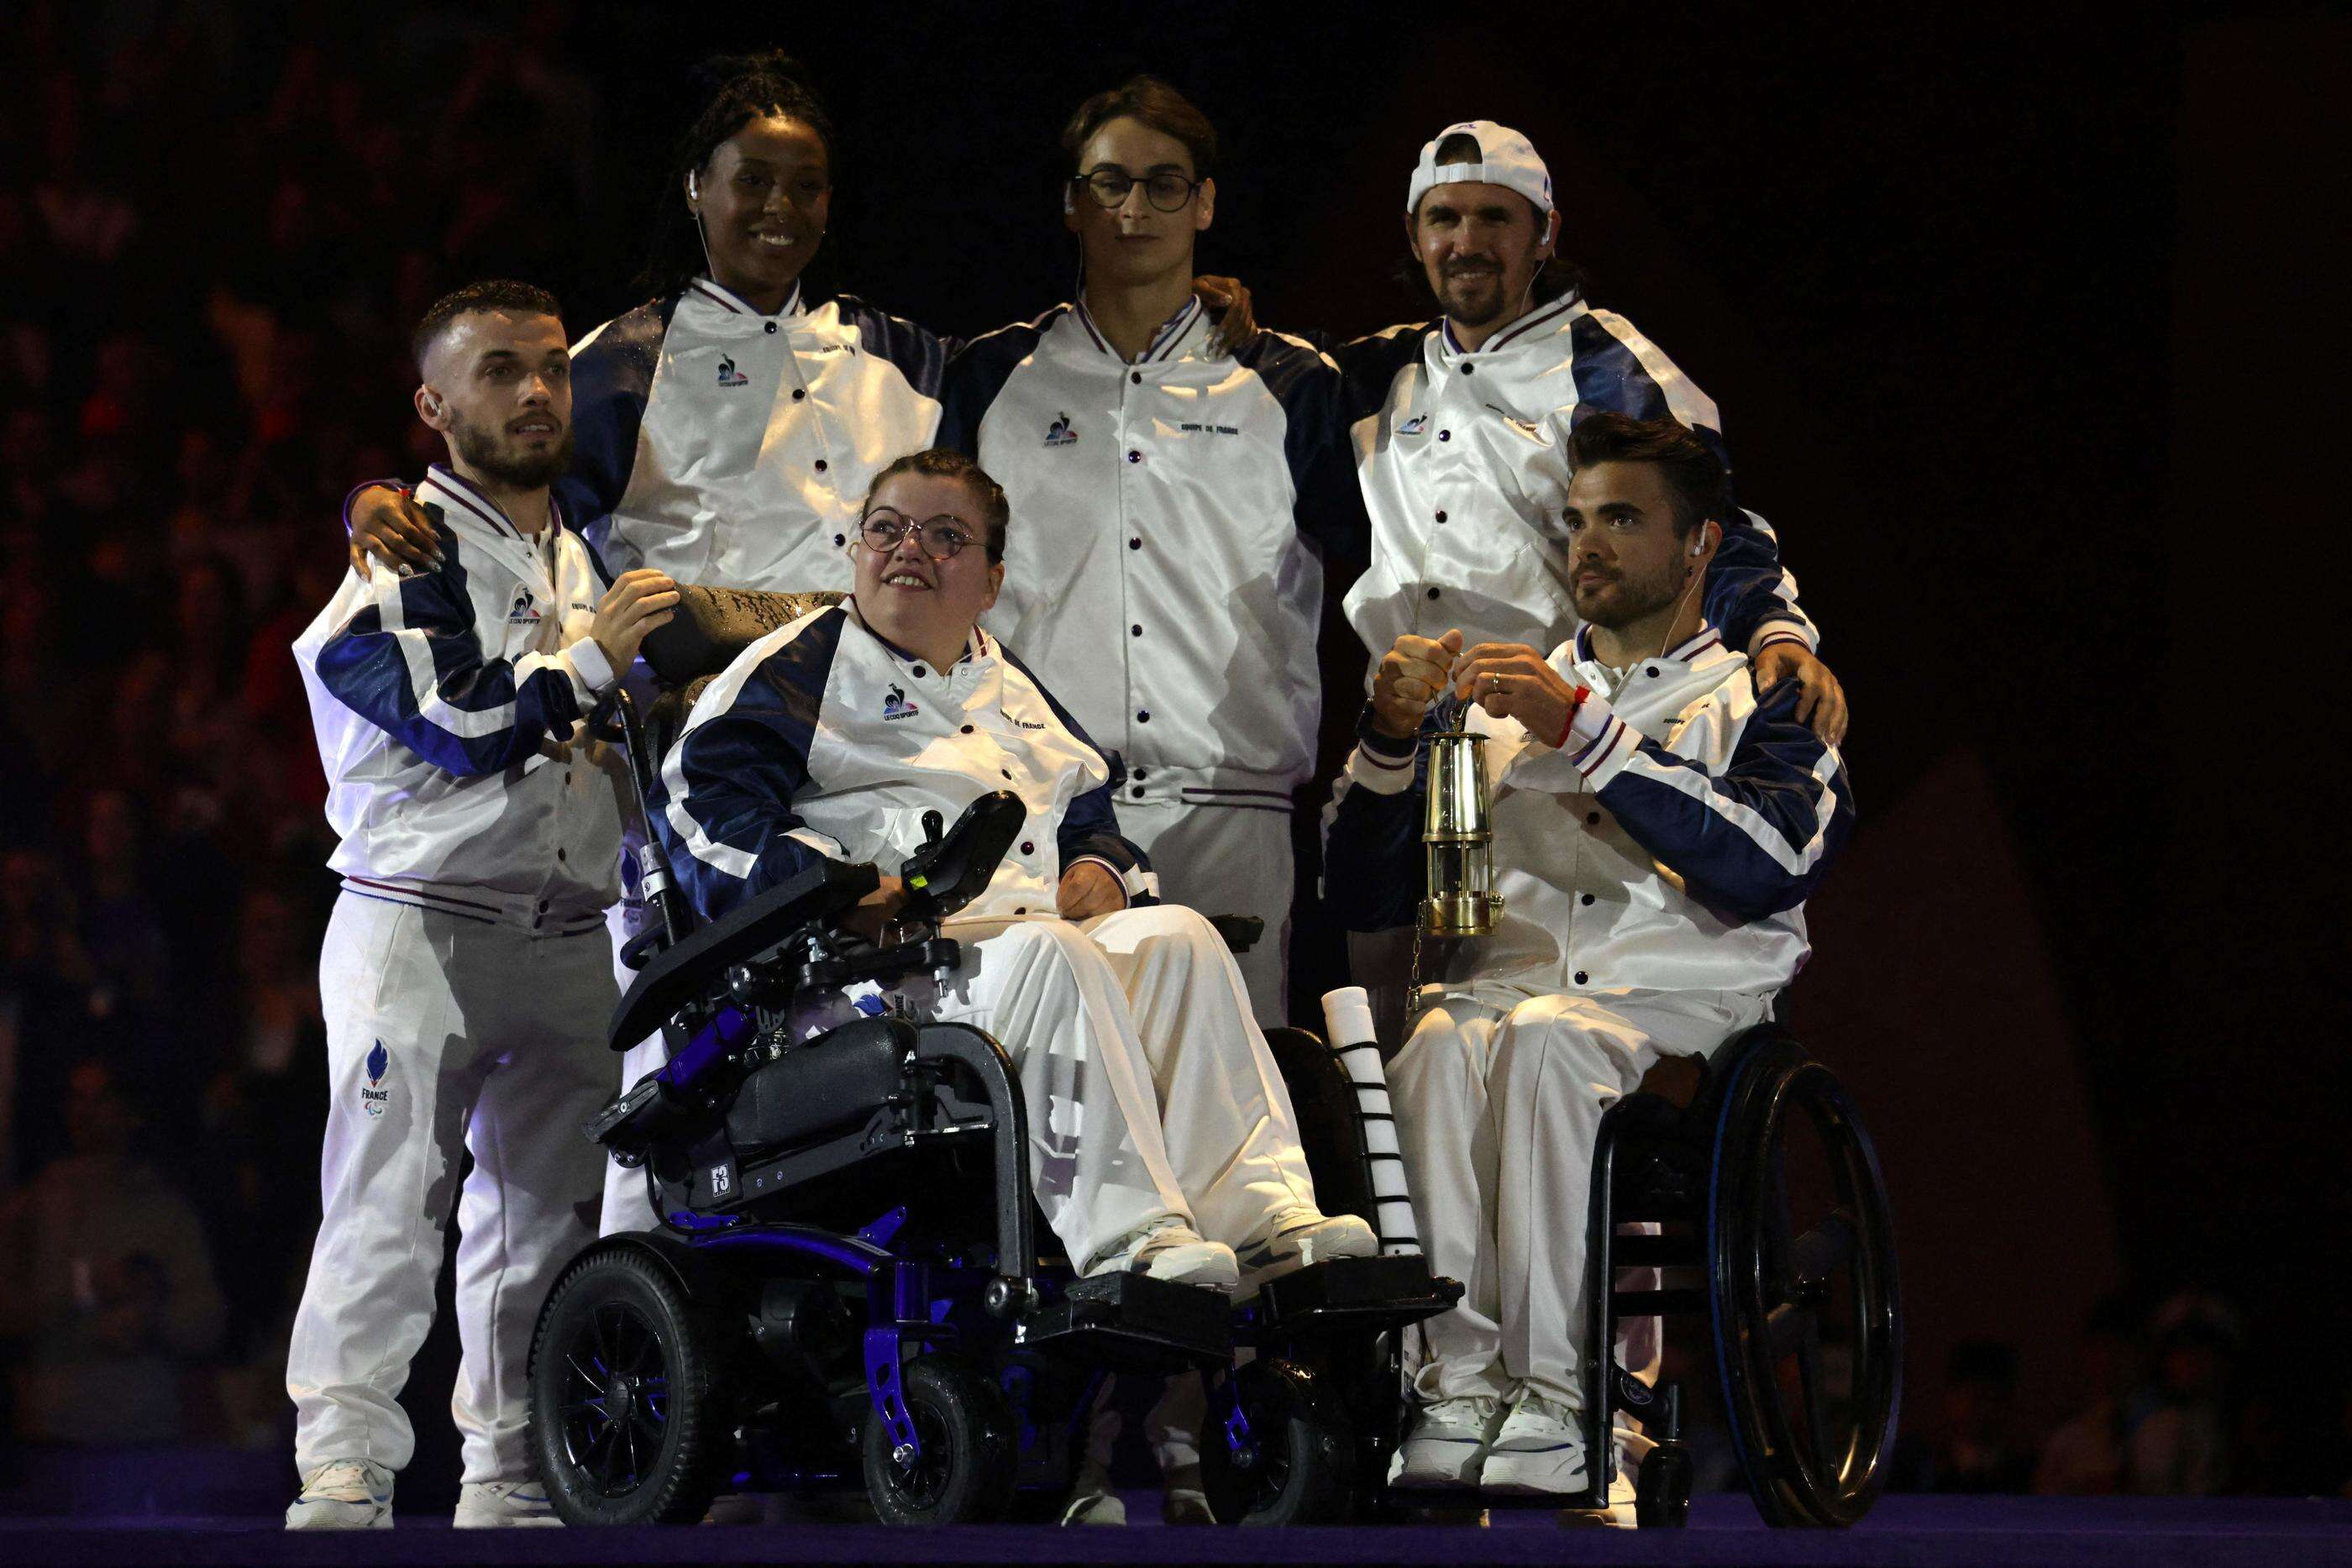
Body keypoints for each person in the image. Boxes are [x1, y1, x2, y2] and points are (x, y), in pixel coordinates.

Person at [332, 56, 1253, 1238]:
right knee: (663, 1110)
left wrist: (1189, 307)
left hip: (885, 759)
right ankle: (635, 1351)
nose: (778, 208)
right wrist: (367, 494)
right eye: (749, 180)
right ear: (695, 190)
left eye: (805, 186)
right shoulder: (616, 362)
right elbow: (502, 467)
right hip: (702, 786)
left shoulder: (909, 358)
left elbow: (1072, 367)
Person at [652, 446, 1374, 1295]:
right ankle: (1130, 1240)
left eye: (944, 535)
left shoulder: (1012, 683)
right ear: (855, 550)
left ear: (991, 581)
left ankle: (1263, 1222)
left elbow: (1092, 815)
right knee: (1052, 955)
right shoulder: (795, 668)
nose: (908, 548)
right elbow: (704, 819)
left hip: (1013, 961)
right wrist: (837, 893)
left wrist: (1102, 871)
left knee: (1177, 938)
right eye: (886, 528)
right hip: (862, 979)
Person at [1324, 413, 1853, 1521]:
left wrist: (1589, 732)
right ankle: (1458, 1391)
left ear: (1702, 543)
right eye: (1575, 520)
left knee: (1552, 1041)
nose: (1588, 542)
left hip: (1682, 1003)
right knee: (1433, 1045)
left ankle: (1572, 1399)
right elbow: (1381, 895)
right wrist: (1388, 737)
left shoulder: (1763, 693)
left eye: (1622, 517)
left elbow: (1766, 863)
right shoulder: (1497, 700)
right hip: (1509, 992)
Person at [282, 281, 680, 1529]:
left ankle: (508, 1464)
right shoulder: (398, 554)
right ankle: (343, 1462)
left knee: (542, 1222)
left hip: (567, 929)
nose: (534, 391)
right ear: (433, 404)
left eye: (553, 367)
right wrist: (598, 659)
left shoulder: (577, 547)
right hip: (419, 917)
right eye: (499, 369)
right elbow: (455, 725)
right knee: (390, 1196)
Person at [939, 77, 1362, 1024]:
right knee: (1055, 1115)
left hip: (1231, 811)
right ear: (1069, 202)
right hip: (1041, 809)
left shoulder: (1294, 383)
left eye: (1164, 184)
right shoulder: (987, 375)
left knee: (1234, 1116)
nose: (1134, 210)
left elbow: (1393, 565)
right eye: (1108, 184)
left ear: (1205, 202)